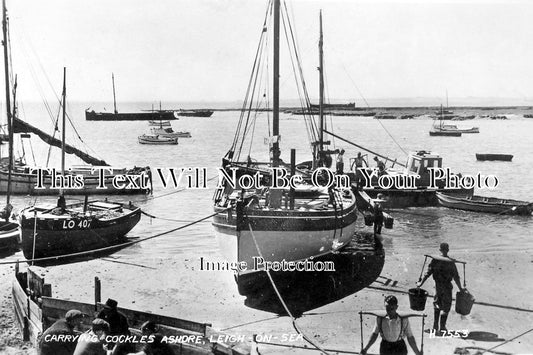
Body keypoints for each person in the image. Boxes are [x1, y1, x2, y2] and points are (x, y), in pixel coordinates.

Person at [417, 243, 464, 333]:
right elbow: (456, 277)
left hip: (438, 286)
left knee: (437, 304)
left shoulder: (435, 260)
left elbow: (428, 273)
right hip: (447, 287)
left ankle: (435, 326)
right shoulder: (451, 262)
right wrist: (460, 288)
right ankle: (442, 326)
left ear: (440, 250)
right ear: (448, 250)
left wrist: (420, 283)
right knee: (446, 306)